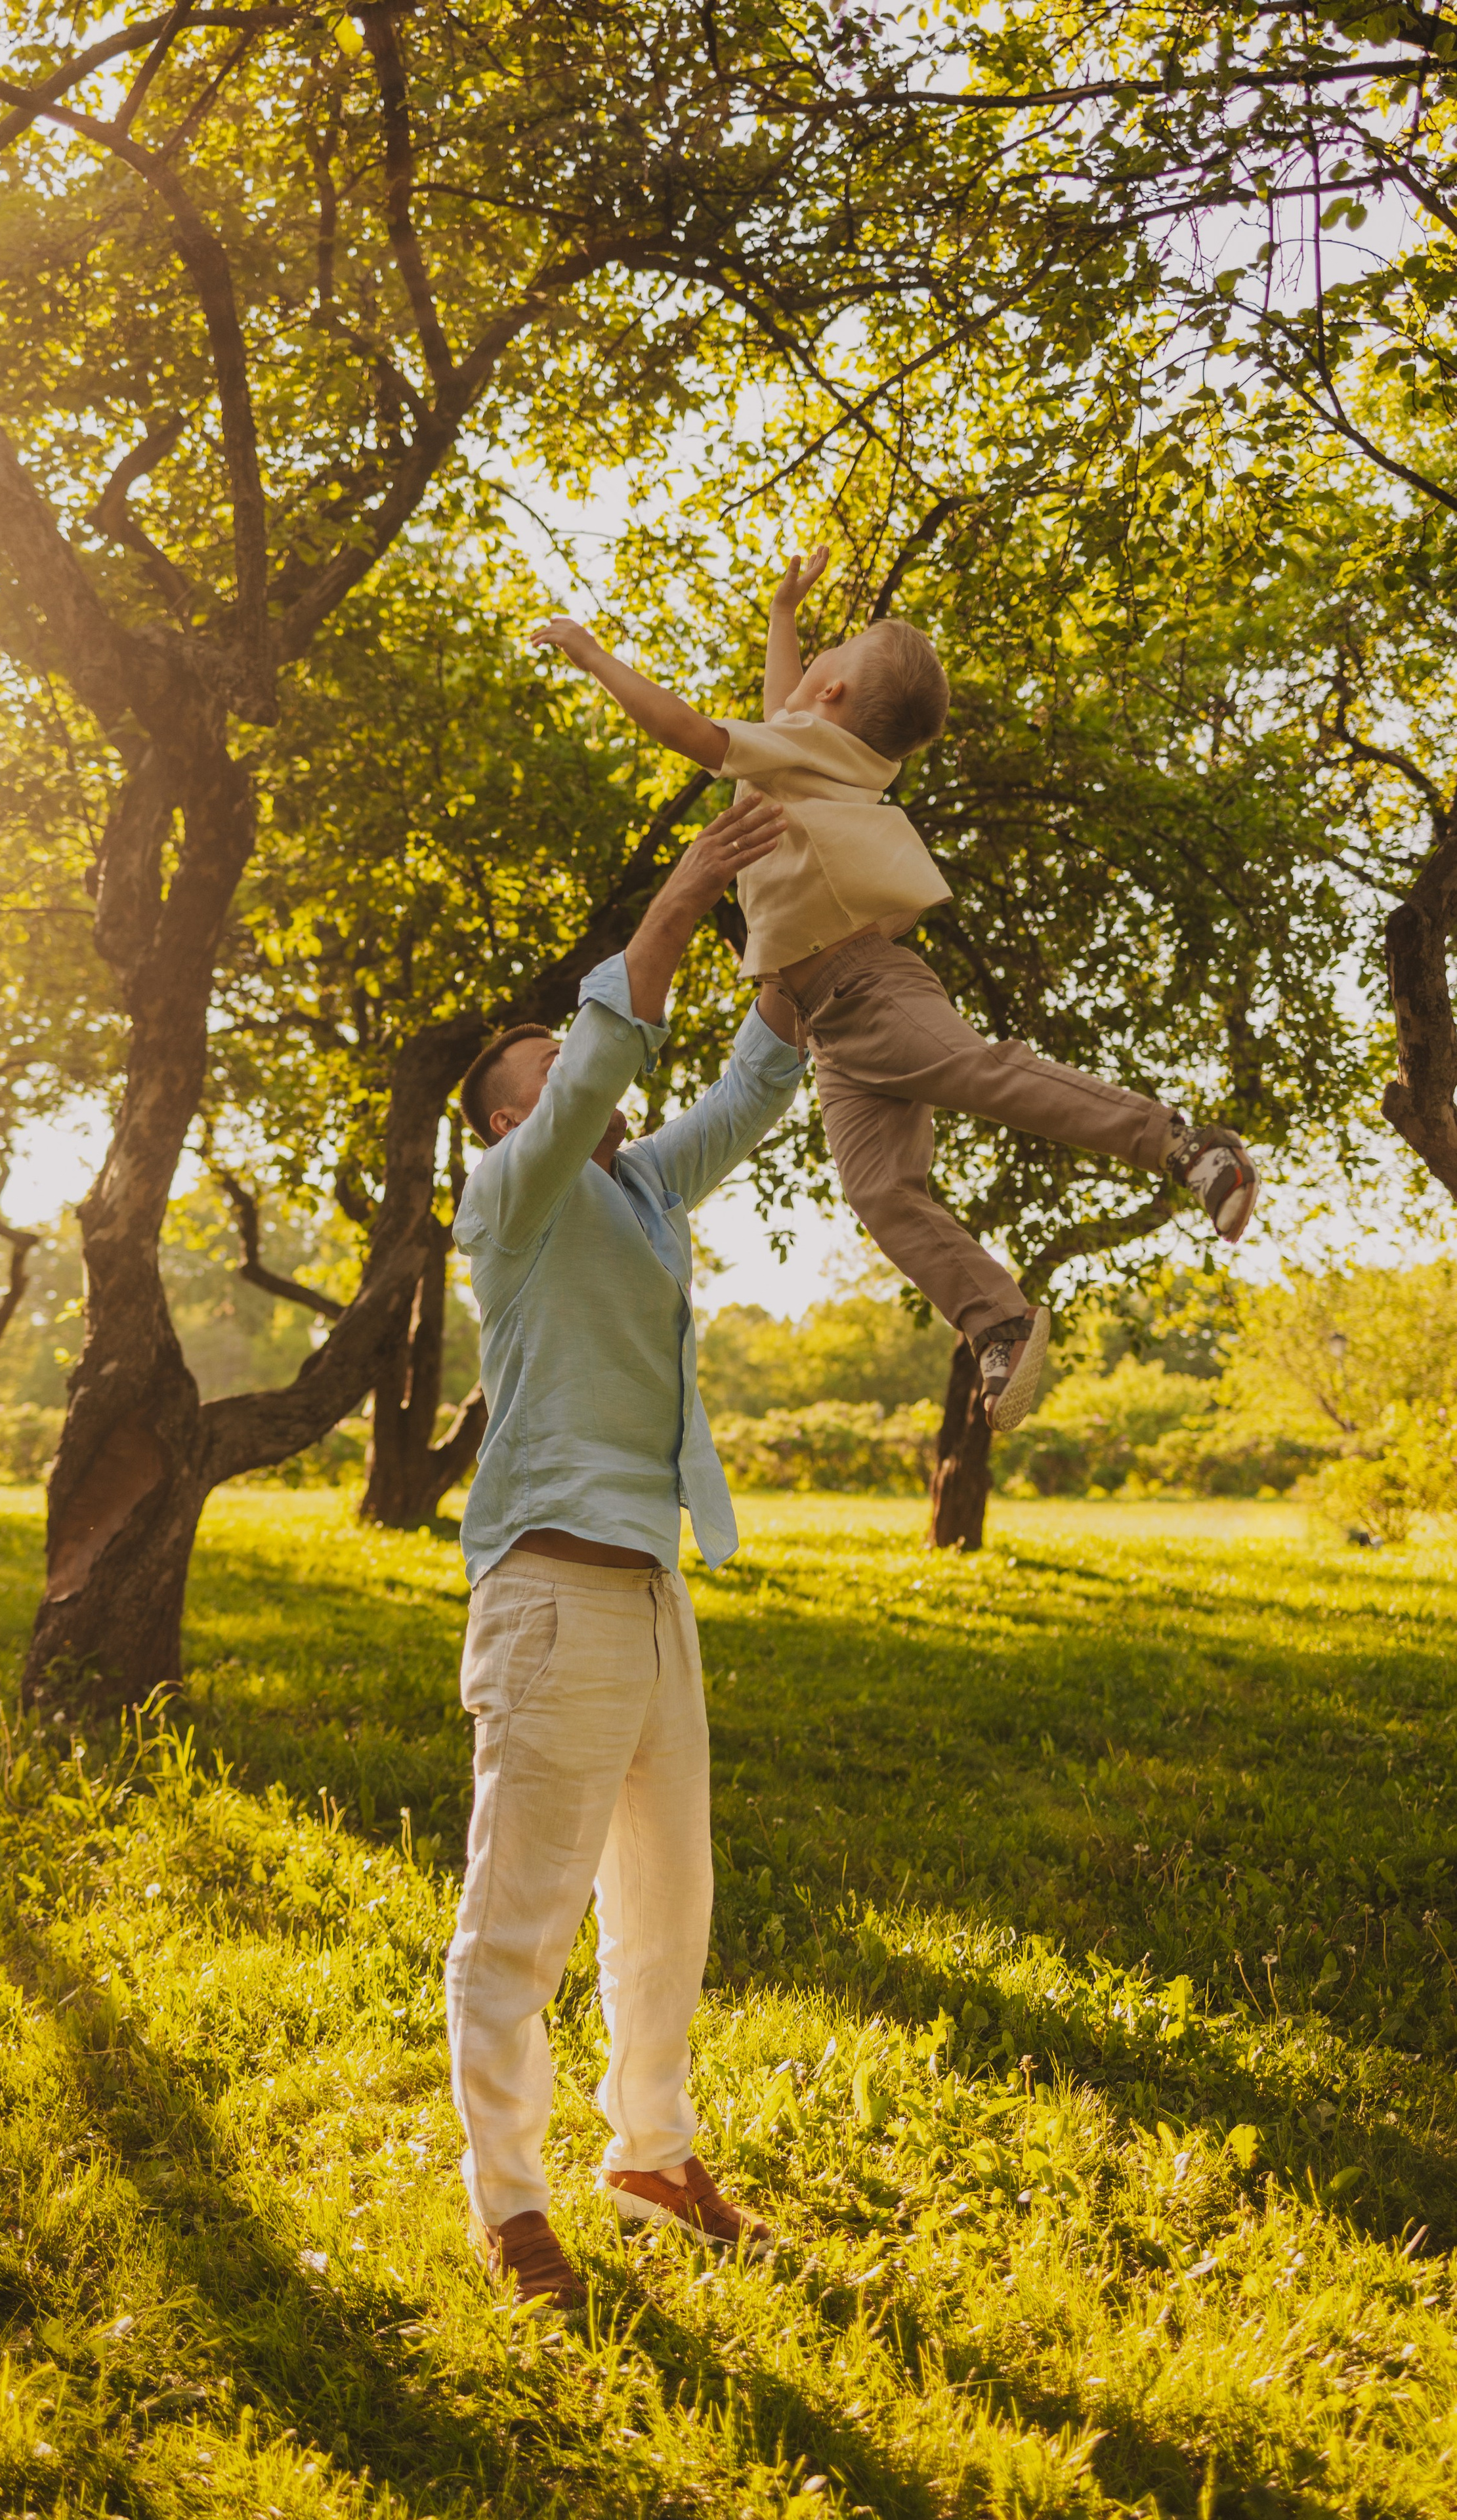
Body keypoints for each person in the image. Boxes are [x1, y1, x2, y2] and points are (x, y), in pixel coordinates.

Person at [532, 555, 1261, 1432]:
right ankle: (997, 1319)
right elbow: (782, 706)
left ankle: (1184, 1147)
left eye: (820, 657)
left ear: (830, 693)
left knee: (983, 1073)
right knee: (879, 1191)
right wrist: (780, 615)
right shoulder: (814, 753)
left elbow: (684, 726)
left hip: (868, 987)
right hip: (829, 1027)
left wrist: (592, 653)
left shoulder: (805, 751)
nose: (799, 677)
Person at [447, 791, 805, 2314]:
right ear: (513, 1118)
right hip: (547, 1591)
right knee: (517, 1922)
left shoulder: (641, 1190)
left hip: (648, 1594)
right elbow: (615, 1043)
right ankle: (511, 2207)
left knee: (669, 1903)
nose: (587, 1070)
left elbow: (755, 1085)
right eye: (555, 1068)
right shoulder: (508, 1197)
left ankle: (650, 2153)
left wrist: (799, 908)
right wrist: (679, 897)